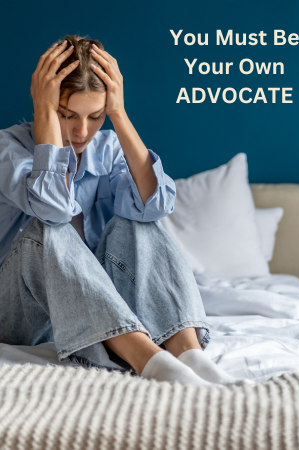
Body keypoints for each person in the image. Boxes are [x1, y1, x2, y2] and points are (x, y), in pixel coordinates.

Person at [0, 35, 250, 386]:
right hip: (19, 314)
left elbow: (156, 206)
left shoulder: (109, 149)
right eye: (66, 114)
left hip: (91, 308)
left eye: (95, 116)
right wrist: (44, 114)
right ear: (47, 104)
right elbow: (54, 211)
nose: (81, 131)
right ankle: (150, 358)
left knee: (140, 219)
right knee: (49, 228)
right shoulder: (7, 149)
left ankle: (189, 353)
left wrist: (118, 114)